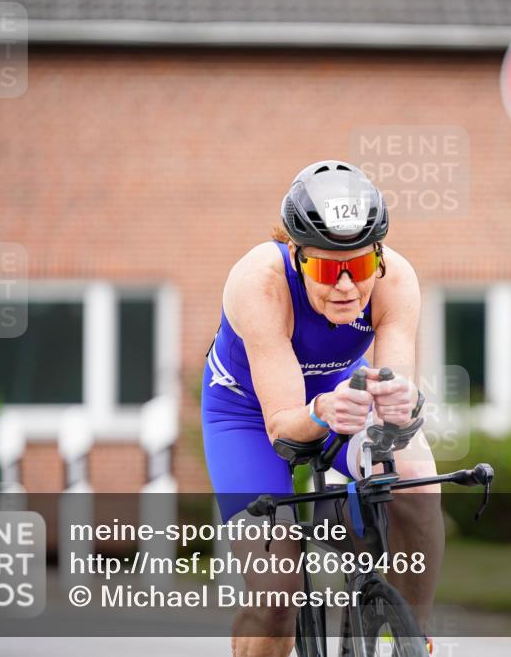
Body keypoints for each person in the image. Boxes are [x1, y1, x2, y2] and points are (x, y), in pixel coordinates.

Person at [201, 160, 443, 657]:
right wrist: (320, 414)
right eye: (328, 269)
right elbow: (283, 424)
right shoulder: (259, 282)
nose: (347, 287)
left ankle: (414, 633)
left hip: (340, 394)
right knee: (275, 596)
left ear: (378, 257)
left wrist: (402, 402)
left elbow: (395, 394)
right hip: (247, 415)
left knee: (416, 476)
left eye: (357, 267)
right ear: (296, 255)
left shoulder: (396, 278)